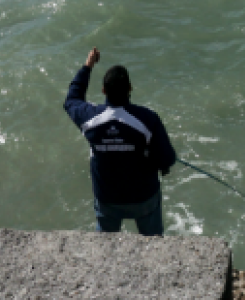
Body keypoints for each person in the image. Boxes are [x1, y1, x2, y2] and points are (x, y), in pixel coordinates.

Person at [63, 47, 177, 235]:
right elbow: (167, 159)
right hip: (143, 198)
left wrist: (88, 65)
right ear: (130, 88)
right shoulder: (148, 119)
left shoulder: (89, 119)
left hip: (107, 199)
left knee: (106, 246)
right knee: (153, 242)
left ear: (103, 90)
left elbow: (72, 99)